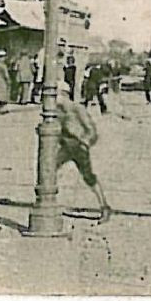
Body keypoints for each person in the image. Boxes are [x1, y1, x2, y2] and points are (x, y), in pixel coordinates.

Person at [55, 94, 112, 222]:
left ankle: (104, 207)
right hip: (65, 147)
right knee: (48, 169)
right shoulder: (56, 109)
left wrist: (85, 143)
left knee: (89, 177)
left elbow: (91, 129)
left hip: (79, 147)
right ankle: (49, 201)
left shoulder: (77, 108)